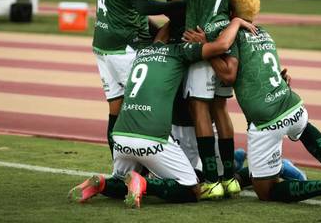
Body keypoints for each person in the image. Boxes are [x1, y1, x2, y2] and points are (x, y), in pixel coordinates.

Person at [183, 0, 321, 205]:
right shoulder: (264, 33)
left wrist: (205, 47)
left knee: (266, 191)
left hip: (267, 120)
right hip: (291, 103)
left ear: (232, 13)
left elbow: (228, 75)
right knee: (304, 125)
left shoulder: (233, 35)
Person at [124, 0, 251, 198]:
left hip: (198, 36)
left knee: (200, 107)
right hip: (225, 32)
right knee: (221, 108)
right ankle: (230, 177)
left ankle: (211, 180)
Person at [69, 16, 258, 208]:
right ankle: (144, 184)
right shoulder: (180, 52)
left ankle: (102, 183)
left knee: (120, 182)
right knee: (192, 188)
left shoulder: (146, 51)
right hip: (152, 138)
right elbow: (222, 46)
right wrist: (236, 22)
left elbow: (162, 34)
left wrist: (175, 19)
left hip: (120, 136)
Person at [93, 0, 184, 158]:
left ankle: (119, 171)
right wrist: (175, 5)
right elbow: (142, 8)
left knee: (116, 109)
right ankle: (167, 165)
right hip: (126, 45)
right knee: (147, 106)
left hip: (103, 43)